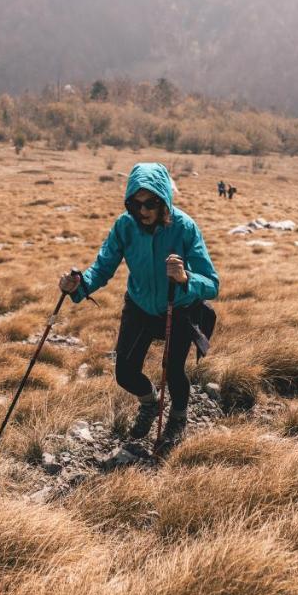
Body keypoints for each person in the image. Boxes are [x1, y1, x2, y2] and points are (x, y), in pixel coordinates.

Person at [59, 163, 219, 449]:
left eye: (151, 203)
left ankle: (178, 417)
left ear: (164, 200)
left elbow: (212, 283)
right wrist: (79, 286)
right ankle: (150, 402)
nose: (142, 210)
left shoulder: (184, 227)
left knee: (174, 371)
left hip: (179, 307)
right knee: (125, 372)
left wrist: (186, 278)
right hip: (140, 306)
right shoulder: (125, 226)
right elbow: (103, 267)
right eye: (135, 203)